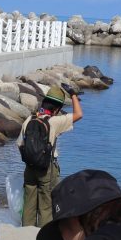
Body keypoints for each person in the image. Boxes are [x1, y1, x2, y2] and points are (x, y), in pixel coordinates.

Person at [18, 83, 82, 227]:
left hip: (29, 167)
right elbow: (79, 114)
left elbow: (19, 144)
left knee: (29, 201)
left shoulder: (29, 120)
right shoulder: (54, 122)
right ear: (57, 109)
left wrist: (31, 158)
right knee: (46, 203)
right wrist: (72, 95)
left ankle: (26, 230)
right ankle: (43, 232)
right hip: (47, 168)